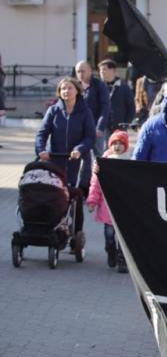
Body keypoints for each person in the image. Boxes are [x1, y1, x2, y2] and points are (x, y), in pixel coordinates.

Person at [35, 77, 96, 238]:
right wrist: (41, 150)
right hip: (55, 161)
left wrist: (79, 149)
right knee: (54, 195)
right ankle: (51, 227)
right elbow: (42, 133)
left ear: (77, 90)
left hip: (77, 163)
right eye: (63, 89)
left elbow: (90, 137)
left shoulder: (85, 111)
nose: (66, 91)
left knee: (74, 197)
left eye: (69, 88)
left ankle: (76, 234)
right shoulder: (53, 110)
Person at [86, 130, 129, 273]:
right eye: (114, 143)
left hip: (124, 207)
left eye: (121, 143)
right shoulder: (103, 162)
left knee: (124, 237)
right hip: (107, 206)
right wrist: (92, 201)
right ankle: (110, 251)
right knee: (109, 235)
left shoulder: (130, 161)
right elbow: (96, 183)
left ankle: (123, 260)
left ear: (126, 146)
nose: (117, 146)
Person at [75, 60, 110, 155]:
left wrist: (100, 127)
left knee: (98, 155)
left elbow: (105, 107)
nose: (80, 74)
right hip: (78, 127)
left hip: (95, 127)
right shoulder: (75, 86)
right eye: (78, 71)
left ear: (90, 71)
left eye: (83, 71)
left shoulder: (99, 85)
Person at [97, 59, 135, 133]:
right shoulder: (97, 87)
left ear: (113, 70)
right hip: (102, 128)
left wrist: (126, 124)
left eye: (104, 69)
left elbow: (131, 107)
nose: (101, 72)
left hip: (119, 127)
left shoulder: (124, 87)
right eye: (100, 70)